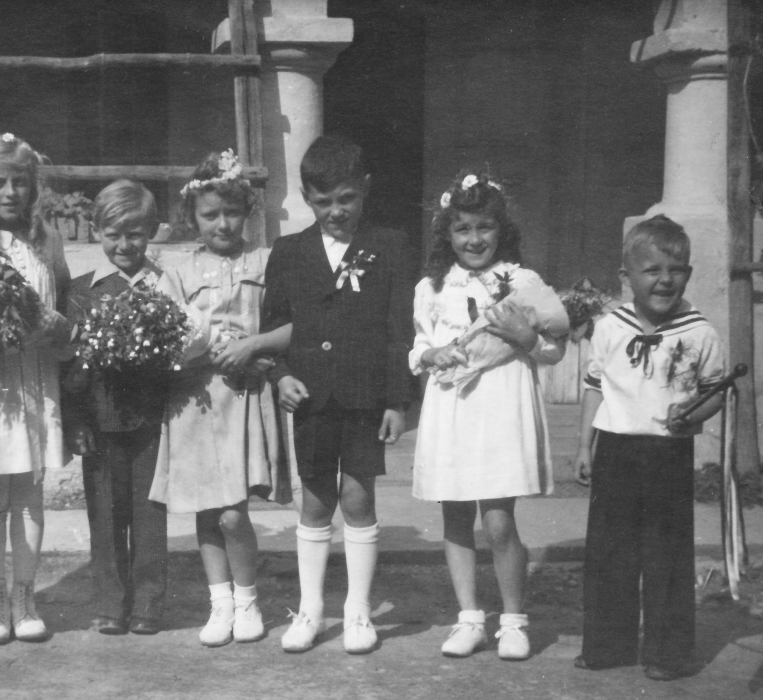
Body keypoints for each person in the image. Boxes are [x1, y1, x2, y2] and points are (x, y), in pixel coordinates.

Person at [262, 135, 415, 655]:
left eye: (346, 199)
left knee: (358, 495)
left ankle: (358, 609)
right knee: (315, 499)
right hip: (312, 397)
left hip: (366, 393)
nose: (336, 212)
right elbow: (274, 325)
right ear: (307, 197)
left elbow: (400, 329)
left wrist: (397, 399)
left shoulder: (389, 246)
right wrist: (280, 374)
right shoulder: (289, 252)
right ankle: (310, 609)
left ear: (365, 191)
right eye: (323, 201)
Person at [410, 172, 563, 661]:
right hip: (452, 407)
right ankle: (469, 617)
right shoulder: (433, 287)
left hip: (500, 406)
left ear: (502, 230)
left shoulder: (523, 282)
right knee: (455, 515)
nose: (473, 239)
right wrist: (429, 356)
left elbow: (552, 349)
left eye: (483, 228)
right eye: (462, 229)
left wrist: (526, 338)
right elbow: (420, 343)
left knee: (498, 522)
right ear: (446, 234)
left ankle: (514, 620)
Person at [573, 215, 725, 681]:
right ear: (626, 278)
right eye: (651, 270)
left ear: (688, 275)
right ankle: (608, 646)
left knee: (667, 555)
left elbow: (715, 391)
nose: (664, 280)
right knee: (609, 551)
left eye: (675, 270)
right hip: (616, 450)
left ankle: (668, 653)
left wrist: (692, 416)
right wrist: (585, 445)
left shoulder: (699, 332)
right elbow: (596, 388)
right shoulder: (610, 327)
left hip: (668, 452)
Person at [150, 150, 290, 647]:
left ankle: (248, 599)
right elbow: (166, 334)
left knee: (233, 511)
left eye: (232, 212)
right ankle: (220, 602)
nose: (223, 223)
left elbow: (282, 323)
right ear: (193, 216)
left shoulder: (266, 261)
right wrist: (197, 353)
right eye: (211, 214)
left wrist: (258, 354)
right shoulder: (177, 269)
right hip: (194, 396)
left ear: (248, 211)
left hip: (244, 394)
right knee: (205, 508)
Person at [0, 133, 70, 644]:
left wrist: (56, 323)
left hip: (34, 378)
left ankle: (25, 595)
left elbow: (65, 300)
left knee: (28, 491)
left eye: (19, 183)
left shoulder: (46, 241)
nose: (9, 192)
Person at [63, 180, 169, 636]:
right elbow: (70, 368)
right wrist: (76, 420)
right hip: (100, 422)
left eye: (136, 234)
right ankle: (110, 603)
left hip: (151, 420)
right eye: (113, 234)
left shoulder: (165, 286)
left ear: (152, 233)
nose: (124, 245)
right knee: (105, 514)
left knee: (148, 514)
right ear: (96, 232)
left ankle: (147, 603)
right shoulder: (81, 291)